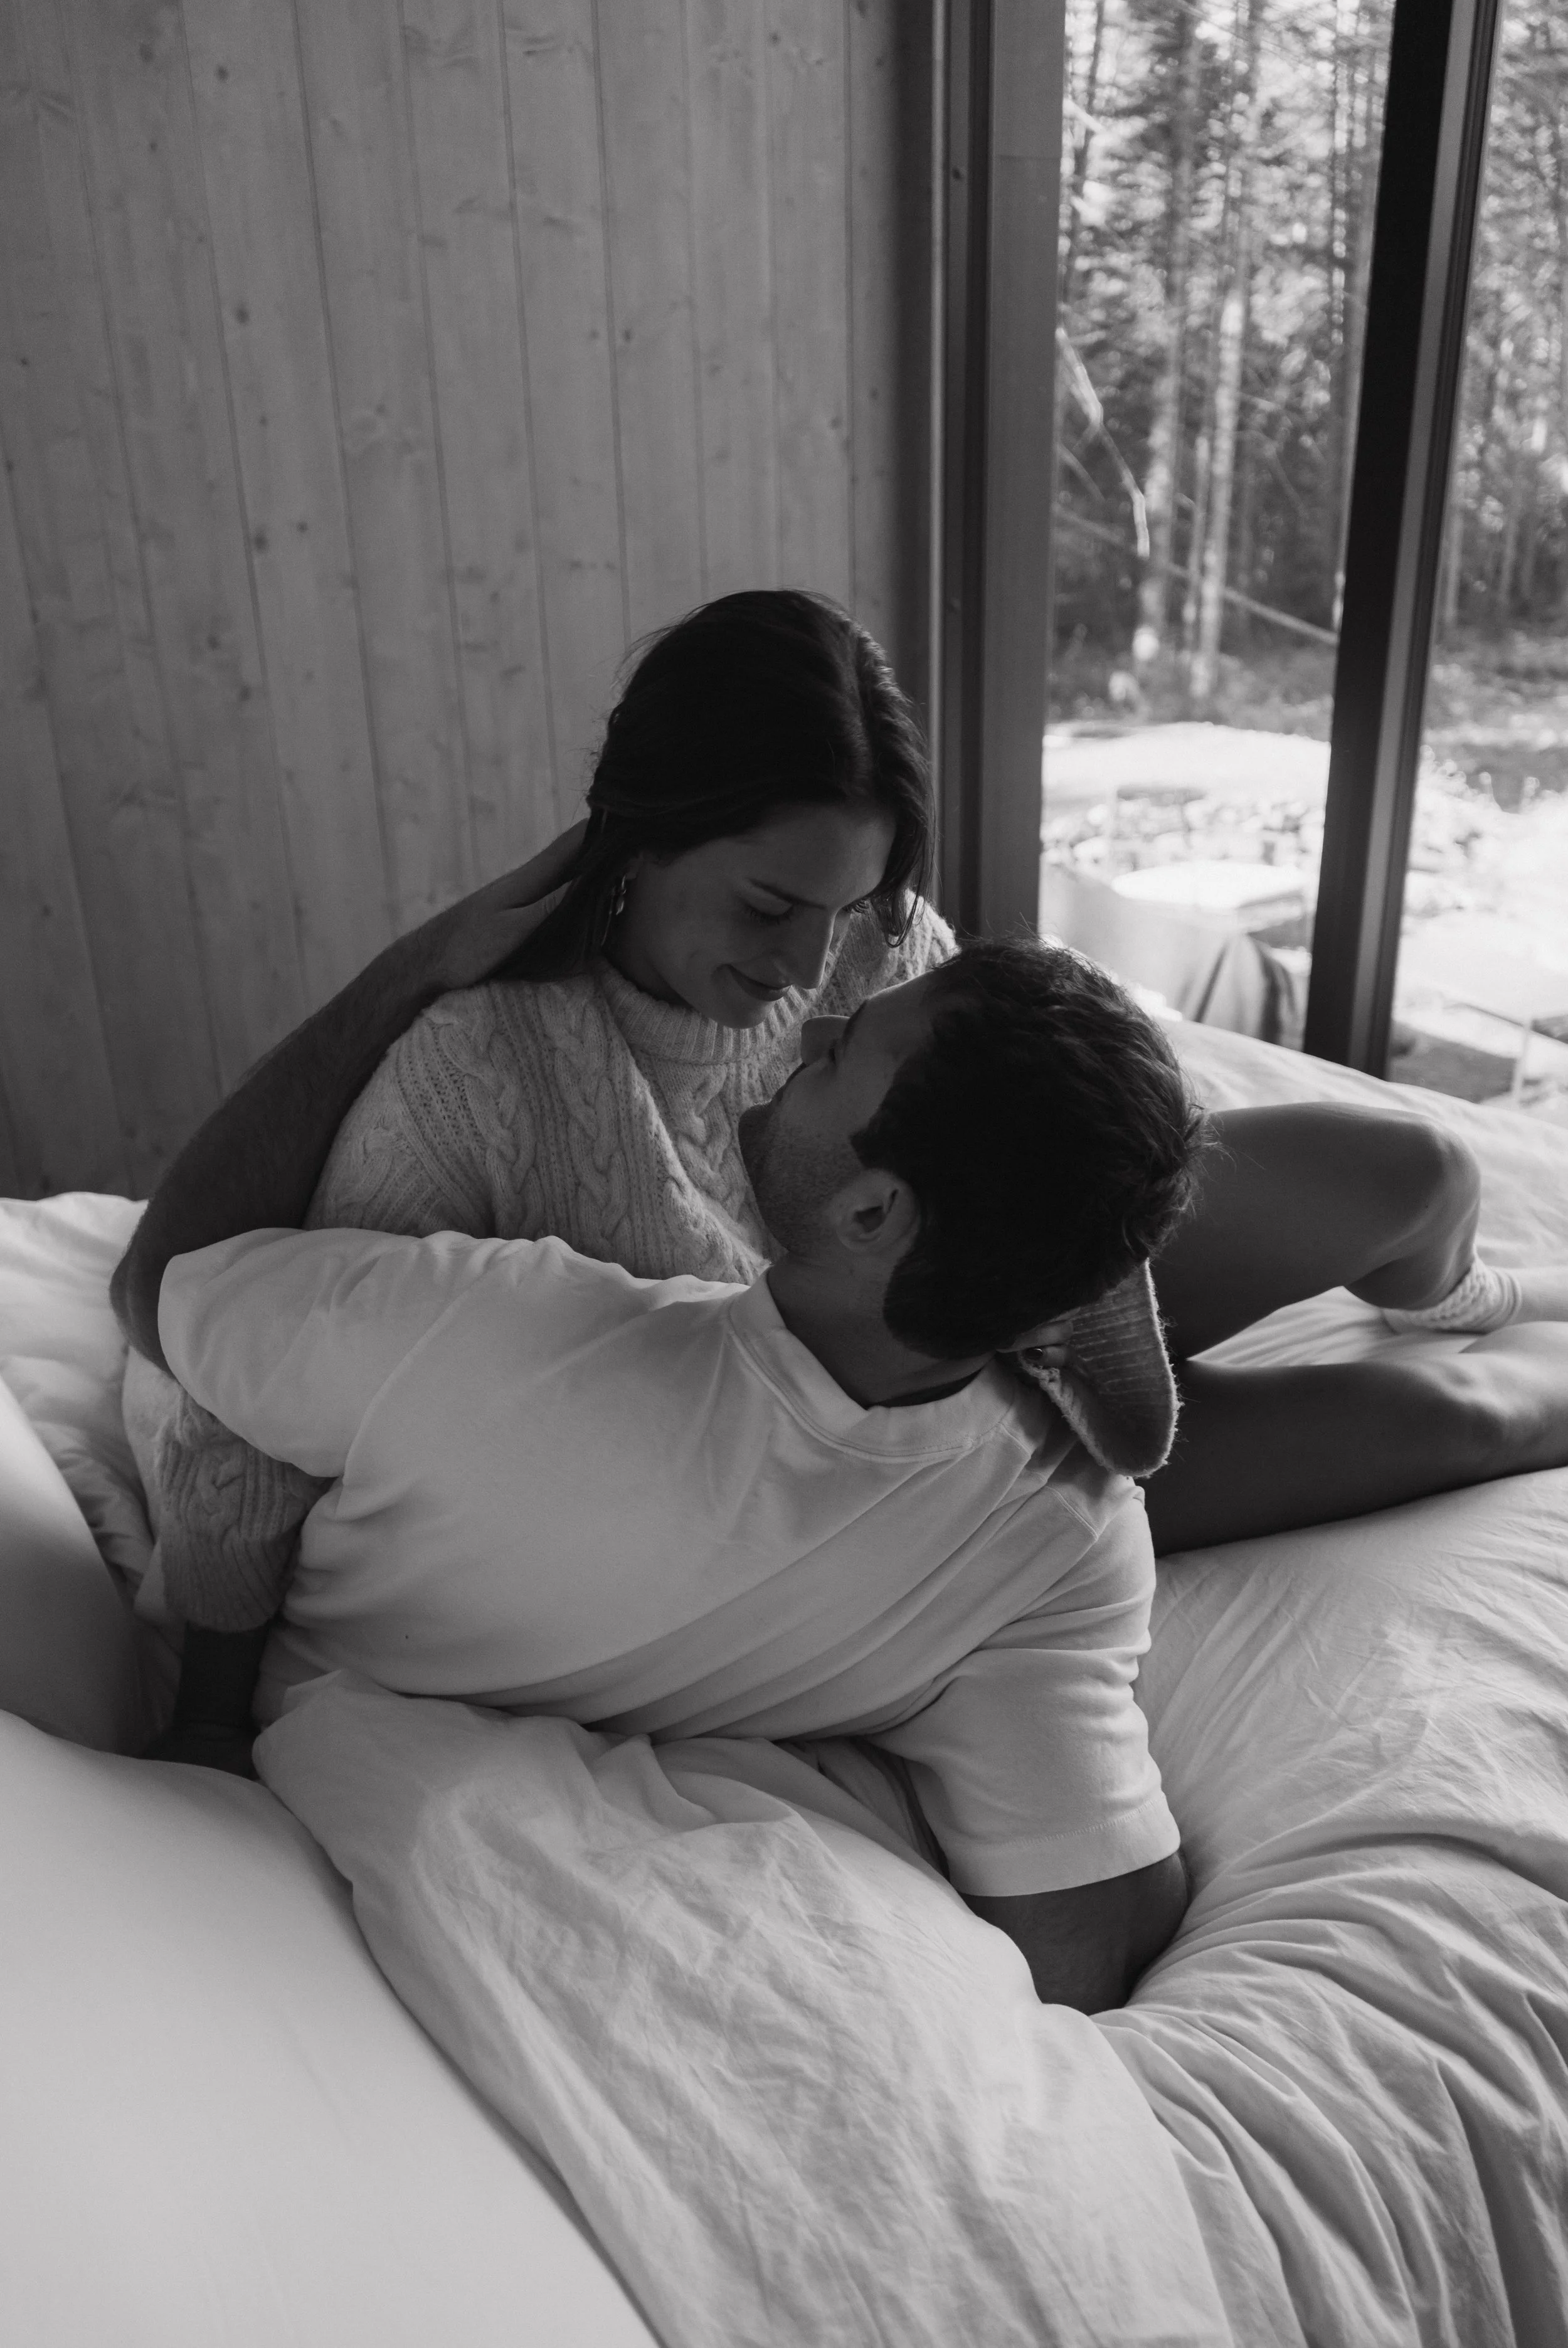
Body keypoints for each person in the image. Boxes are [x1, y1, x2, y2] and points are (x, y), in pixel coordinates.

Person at [122, 588, 1568, 1743]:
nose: (811, 967)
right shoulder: (476, 1081)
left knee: (1412, 1171)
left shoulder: (868, 948)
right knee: (1455, 1421)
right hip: (916, 1469)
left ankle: (1467, 1291)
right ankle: (1473, 1354)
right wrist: (206, 1712)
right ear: (642, 828)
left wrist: (1102, 1343)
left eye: (855, 903)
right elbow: (252, 1399)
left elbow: (1013, 1153)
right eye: (768, 904)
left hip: (989, 1295)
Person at [117, 936, 1207, 2016]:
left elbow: (155, 1289)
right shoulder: (1059, 1538)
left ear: (873, 1213)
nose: (815, 1023)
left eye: (843, 1053)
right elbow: (1087, 1940)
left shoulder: (486, 1334)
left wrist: (417, 965)